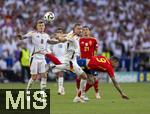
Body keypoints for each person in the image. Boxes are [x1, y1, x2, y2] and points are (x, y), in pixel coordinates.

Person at [17, 19, 60, 95]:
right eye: (39, 25)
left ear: (44, 27)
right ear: (36, 26)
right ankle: (28, 90)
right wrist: (20, 36)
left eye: (42, 25)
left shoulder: (46, 35)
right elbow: (23, 37)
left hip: (42, 57)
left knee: (44, 75)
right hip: (34, 57)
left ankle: (42, 93)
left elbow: (50, 41)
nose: (41, 27)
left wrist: (58, 41)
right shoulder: (33, 33)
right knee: (34, 77)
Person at [51, 24, 88, 102]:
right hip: (71, 61)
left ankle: (52, 66)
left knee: (67, 69)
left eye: (80, 29)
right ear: (74, 29)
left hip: (72, 60)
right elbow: (64, 40)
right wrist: (59, 38)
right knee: (84, 77)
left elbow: (66, 35)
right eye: (78, 29)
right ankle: (78, 97)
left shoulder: (73, 33)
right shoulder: (72, 36)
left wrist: (60, 35)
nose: (80, 30)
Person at [76, 26, 100, 100]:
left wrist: (95, 60)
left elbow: (96, 51)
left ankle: (96, 93)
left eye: (87, 30)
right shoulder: (79, 40)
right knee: (80, 77)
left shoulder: (94, 40)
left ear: (89, 31)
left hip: (91, 62)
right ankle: (79, 93)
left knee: (94, 79)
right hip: (82, 61)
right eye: (84, 30)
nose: (85, 31)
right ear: (82, 32)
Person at [51, 28, 66, 95]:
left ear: (62, 34)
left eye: (61, 32)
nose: (59, 33)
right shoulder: (53, 41)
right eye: (58, 32)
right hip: (55, 59)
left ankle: (59, 89)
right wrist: (50, 53)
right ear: (56, 33)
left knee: (61, 73)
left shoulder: (65, 40)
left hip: (63, 59)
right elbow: (49, 48)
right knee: (57, 75)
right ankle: (62, 87)